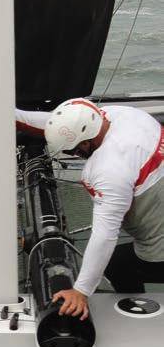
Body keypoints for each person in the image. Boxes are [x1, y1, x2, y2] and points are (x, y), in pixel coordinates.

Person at [17, 98, 164, 320]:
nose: (74, 154)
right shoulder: (126, 116)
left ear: (85, 143)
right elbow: (57, 123)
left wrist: (80, 291)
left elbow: (105, 234)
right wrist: (14, 116)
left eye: (73, 150)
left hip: (159, 251)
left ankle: (137, 314)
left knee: (118, 265)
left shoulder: (109, 168)